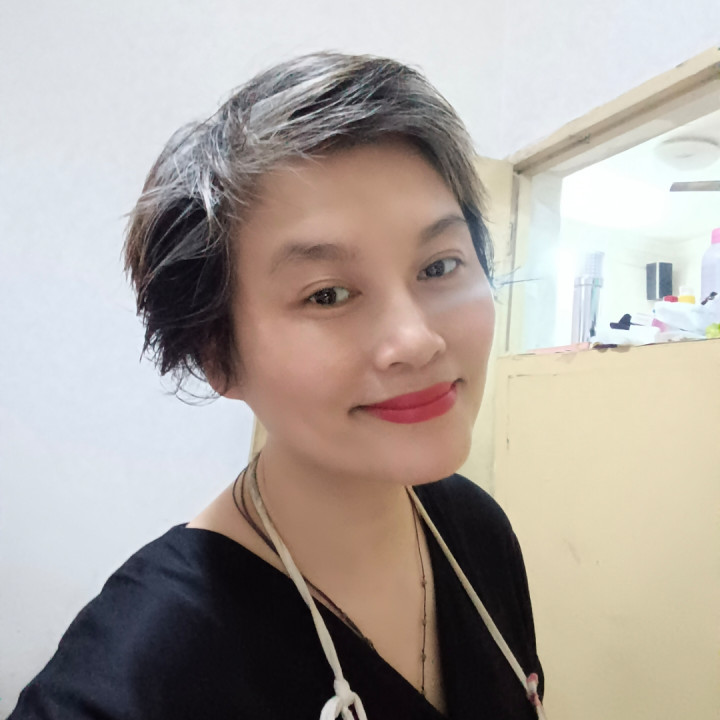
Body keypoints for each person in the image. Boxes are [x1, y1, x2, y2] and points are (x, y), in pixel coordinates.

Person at [9, 52, 545, 719]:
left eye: (439, 266)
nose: (417, 340)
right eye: (328, 295)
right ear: (217, 354)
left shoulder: (476, 529)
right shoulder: (139, 676)